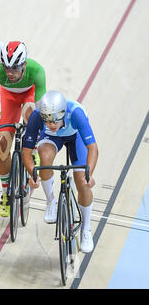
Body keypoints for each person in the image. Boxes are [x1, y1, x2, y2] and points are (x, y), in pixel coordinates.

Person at [22, 90, 98, 253]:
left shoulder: (76, 114)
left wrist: (88, 174)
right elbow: (26, 152)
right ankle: (51, 202)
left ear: (63, 113)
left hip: (76, 136)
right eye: (47, 121)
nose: (51, 124)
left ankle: (86, 228)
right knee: (45, 158)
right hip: (52, 139)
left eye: (55, 120)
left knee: (82, 183)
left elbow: (93, 148)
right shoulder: (37, 116)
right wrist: (32, 174)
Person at [0, 41, 46, 217]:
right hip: (8, 98)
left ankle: (32, 148)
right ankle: (6, 194)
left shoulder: (37, 71)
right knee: (3, 147)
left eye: (15, 69)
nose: (10, 73)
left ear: (24, 65)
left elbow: (41, 112)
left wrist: (39, 137)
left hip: (30, 94)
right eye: (7, 68)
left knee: (30, 114)